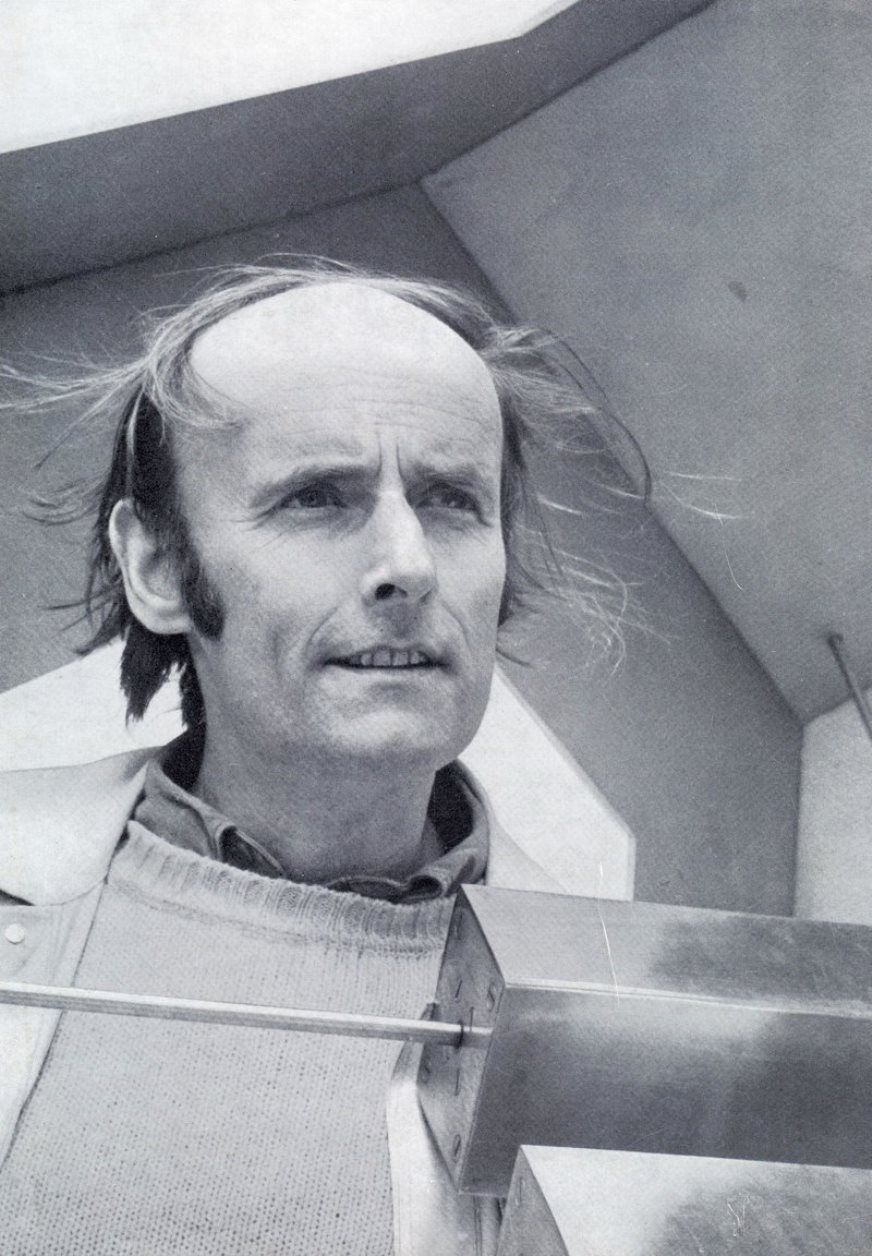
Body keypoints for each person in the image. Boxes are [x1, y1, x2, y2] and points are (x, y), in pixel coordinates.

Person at [0, 260, 623, 1254]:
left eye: (452, 500)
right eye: (317, 498)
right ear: (159, 567)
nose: (409, 565)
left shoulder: (614, 1013)